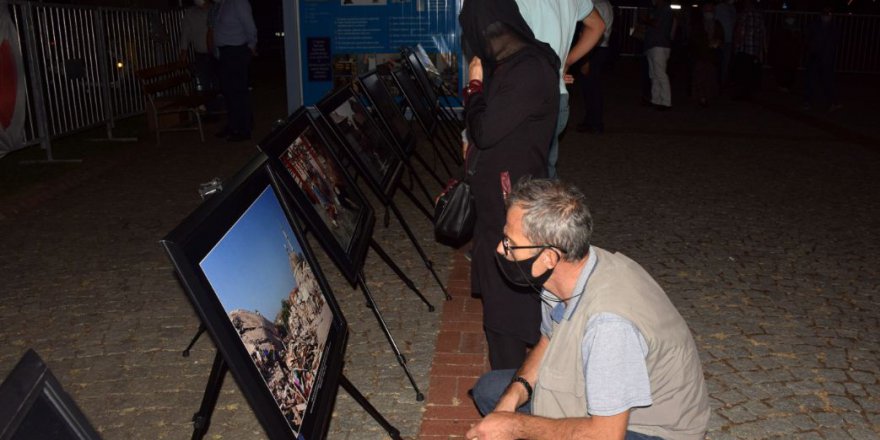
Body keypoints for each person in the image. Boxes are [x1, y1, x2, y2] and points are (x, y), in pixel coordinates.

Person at [467, 178, 711, 440]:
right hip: (596, 389)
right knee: (492, 391)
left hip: (647, 429)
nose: (500, 248)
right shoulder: (571, 267)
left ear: (548, 257)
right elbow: (550, 339)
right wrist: (515, 394)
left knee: (509, 423)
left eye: (510, 243)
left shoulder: (610, 326)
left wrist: (514, 426)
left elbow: (606, 435)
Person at [459, 0, 561, 370]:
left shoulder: (529, 68)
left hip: (512, 199)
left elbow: (485, 129)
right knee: (500, 286)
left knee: (509, 295)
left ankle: (512, 383)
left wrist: (473, 86)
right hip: (499, 197)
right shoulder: (510, 64)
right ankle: (510, 372)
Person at [513, 0, 605, 178]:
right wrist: (565, 62)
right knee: (545, 170)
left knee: (518, 174)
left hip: (522, 94)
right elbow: (598, 25)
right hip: (556, 94)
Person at [212, 0, 257, 142]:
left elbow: (250, 27)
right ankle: (233, 125)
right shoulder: (223, 4)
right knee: (228, 91)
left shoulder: (239, 3)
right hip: (225, 53)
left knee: (238, 92)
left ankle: (243, 130)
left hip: (236, 51)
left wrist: (251, 46)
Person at [575, 0, 613, 134]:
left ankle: (594, 122)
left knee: (591, 88)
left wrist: (586, 60)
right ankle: (592, 120)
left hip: (594, 50)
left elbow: (593, 33)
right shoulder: (606, 4)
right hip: (600, 49)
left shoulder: (597, 6)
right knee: (593, 87)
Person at [805, 7, 840, 111]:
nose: (826, 17)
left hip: (826, 57)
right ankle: (808, 101)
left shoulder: (833, 27)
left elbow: (835, 41)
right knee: (811, 80)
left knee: (827, 81)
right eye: (825, 15)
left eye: (828, 15)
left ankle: (831, 102)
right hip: (815, 56)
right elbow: (808, 39)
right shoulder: (815, 25)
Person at [642, 0, 675, 110]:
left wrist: (646, 20)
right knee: (654, 75)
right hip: (653, 45)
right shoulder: (657, 10)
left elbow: (657, 24)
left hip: (660, 45)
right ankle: (656, 100)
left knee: (660, 74)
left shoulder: (666, 9)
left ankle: (666, 101)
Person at [689, 2, 723, 106]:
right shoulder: (698, 24)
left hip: (712, 56)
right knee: (699, 76)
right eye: (707, 10)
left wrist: (717, 42)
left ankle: (708, 97)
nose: (709, 13)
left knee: (710, 77)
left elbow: (721, 37)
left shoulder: (717, 24)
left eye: (711, 10)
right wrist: (707, 44)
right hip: (700, 55)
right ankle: (700, 97)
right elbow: (694, 39)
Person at [179, 0, 215, 93]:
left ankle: (221, 103)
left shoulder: (216, 9)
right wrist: (183, 53)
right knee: (205, 82)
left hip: (216, 52)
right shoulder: (190, 13)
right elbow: (185, 34)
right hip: (201, 54)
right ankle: (210, 105)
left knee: (219, 80)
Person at [732, 0, 765, 100]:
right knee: (751, 71)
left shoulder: (744, 14)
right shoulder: (759, 15)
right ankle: (749, 92)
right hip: (754, 48)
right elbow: (762, 32)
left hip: (745, 47)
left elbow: (740, 30)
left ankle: (742, 93)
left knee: (742, 71)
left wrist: (736, 45)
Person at [714, 0, 737, 86]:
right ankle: (717, 81)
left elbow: (734, 23)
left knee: (726, 62)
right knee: (719, 61)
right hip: (720, 39)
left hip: (729, 40)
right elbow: (715, 22)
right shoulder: (719, 7)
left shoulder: (732, 8)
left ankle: (722, 82)